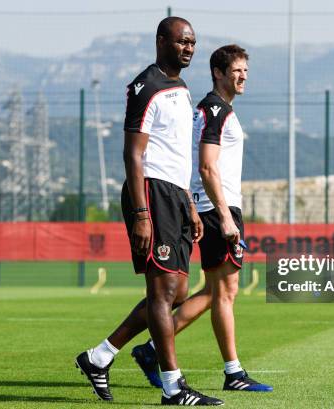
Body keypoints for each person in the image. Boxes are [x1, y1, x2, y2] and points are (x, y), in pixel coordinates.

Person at [75, 16, 223, 406]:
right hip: (151, 194)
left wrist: (189, 203)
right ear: (161, 41)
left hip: (175, 196)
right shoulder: (146, 86)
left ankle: (99, 356)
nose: (189, 48)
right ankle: (174, 387)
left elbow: (175, 153)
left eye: (192, 42)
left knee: (179, 290)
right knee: (161, 291)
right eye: (181, 42)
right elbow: (133, 153)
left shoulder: (181, 87)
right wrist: (141, 212)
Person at [132, 45, 272, 393]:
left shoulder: (211, 109)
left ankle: (156, 350)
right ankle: (230, 372)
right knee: (222, 291)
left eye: (246, 72)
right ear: (218, 73)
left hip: (213, 206)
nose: (243, 77)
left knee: (218, 291)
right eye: (237, 70)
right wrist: (225, 216)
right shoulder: (216, 110)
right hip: (217, 208)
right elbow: (207, 165)